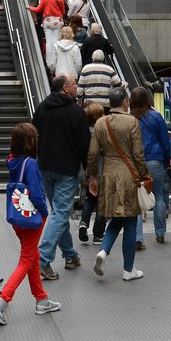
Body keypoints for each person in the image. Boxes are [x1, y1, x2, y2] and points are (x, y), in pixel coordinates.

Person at [0, 123, 59, 325]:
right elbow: (36, 194)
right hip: (32, 217)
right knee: (26, 259)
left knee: (32, 254)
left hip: (17, 216)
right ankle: (2, 302)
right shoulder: (31, 164)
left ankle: (41, 299)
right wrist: (45, 211)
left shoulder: (12, 161)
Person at [86, 88, 147, 281]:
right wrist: (145, 175)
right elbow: (138, 154)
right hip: (129, 175)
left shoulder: (100, 123)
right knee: (130, 221)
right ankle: (128, 269)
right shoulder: (132, 122)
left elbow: (93, 153)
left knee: (116, 218)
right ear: (126, 102)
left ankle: (103, 251)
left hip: (108, 175)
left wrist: (92, 176)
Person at [32, 75, 89, 281]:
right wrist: (89, 172)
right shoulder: (76, 112)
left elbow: (33, 134)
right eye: (74, 84)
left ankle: (70, 255)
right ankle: (42, 260)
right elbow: (84, 145)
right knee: (61, 212)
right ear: (65, 88)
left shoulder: (41, 108)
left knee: (58, 211)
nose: (76, 86)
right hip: (67, 168)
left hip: (45, 166)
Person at [131, 87, 171, 246]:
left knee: (136, 200)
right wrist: (167, 160)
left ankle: (137, 238)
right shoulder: (156, 116)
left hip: (135, 162)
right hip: (156, 160)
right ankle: (160, 233)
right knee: (159, 196)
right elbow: (165, 142)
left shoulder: (129, 118)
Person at [77, 102, 108, 245]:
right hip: (101, 171)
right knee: (102, 202)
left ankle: (84, 222)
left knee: (90, 199)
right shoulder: (102, 130)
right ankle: (98, 234)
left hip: (86, 170)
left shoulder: (83, 132)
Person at [29, 0, 67, 69]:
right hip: (57, 21)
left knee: (49, 42)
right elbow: (63, 11)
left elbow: (38, 9)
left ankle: (49, 62)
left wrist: (29, 7)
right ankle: (55, 61)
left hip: (48, 21)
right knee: (56, 41)